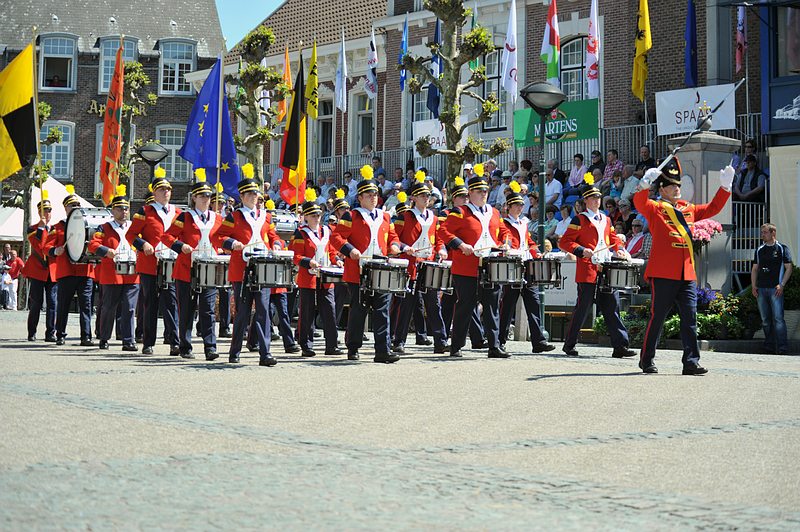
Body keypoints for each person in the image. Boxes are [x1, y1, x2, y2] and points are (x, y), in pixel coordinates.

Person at [634, 159, 733, 374]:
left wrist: (725, 187)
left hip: (686, 273)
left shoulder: (688, 209)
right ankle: (647, 359)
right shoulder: (656, 208)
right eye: (672, 186)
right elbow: (639, 203)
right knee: (657, 318)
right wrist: (644, 184)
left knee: (690, 319)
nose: (677, 189)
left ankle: (691, 362)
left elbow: (712, 208)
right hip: (663, 273)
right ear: (662, 189)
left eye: (678, 185)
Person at [559, 176, 637, 359]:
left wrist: (620, 249)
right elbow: (565, 242)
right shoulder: (579, 220)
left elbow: (614, 238)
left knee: (612, 307)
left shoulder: (606, 219)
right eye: (592, 198)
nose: (596, 201)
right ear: (586, 201)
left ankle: (620, 346)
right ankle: (569, 344)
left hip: (605, 268)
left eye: (598, 198)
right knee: (582, 308)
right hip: (587, 268)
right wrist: (580, 250)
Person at [330, 165, 402, 363]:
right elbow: (336, 238)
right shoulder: (351, 215)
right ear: (360, 197)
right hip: (358, 269)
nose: (373, 197)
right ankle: (353, 347)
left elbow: (393, 237)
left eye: (375, 194)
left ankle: (382, 350)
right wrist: (350, 250)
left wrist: (394, 246)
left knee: (382, 310)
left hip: (380, 267)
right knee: (358, 309)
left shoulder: (385, 216)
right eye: (369, 194)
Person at [439, 174, 512, 358]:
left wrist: (505, 242)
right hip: (466, 266)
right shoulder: (460, 211)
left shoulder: (494, 212)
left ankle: (494, 346)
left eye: (486, 191)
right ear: (470, 193)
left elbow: (504, 231)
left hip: (490, 265)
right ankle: (456, 345)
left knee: (492, 305)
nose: (484, 194)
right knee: (466, 305)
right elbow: (444, 230)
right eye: (480, 191)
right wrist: (460, 244)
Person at [217, 176, 285, 367]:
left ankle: (265, 353)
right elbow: (219, 237)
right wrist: (233, 244)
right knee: (242, 312)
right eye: (250, 194)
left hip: (262, 268)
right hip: (242, 270)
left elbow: (274, 236)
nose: (254, 196)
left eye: (256, 193)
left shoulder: (266, 216)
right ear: (242, 196)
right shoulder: (235, 216)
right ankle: (235, 351)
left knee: (263, 311)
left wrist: (277, 245)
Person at [161, 171, 224, 360]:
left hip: (209, 269)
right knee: (187, 310)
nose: (206, 199)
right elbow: (167, 237)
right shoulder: (185, 217)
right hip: (186, 270)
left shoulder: (217, 218)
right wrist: (181, 246)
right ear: (194, 197)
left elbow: (222, 238)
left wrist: (221, 248)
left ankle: (210, 347)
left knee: (208, 309)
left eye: (208, 196)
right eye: (202, 196)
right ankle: (185, 346)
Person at [392, 173, 449, 354]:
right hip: (410, 265)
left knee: (433, 303)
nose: (426, 198)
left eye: (428, 196)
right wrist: (403, 247)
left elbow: (438, 239)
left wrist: (441, 249)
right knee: (406, 304)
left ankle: (440, 340)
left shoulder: (433, 217)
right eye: (423, 195)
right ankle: (399, 340)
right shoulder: (405, 216)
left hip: (428, 264)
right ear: (414, 198)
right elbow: (394, 239)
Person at [127, 169, 181, 356]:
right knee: (150, 303)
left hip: (172, 264)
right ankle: (148, 343)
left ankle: (175, 342)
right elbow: (131, 234)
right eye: (161, 189)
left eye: (168, 189)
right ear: (154, 193)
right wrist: (143, 245)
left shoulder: (178, 212)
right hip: (150, 263)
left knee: (171, 303)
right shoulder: (145, 211)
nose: (165, 192)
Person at [498, 184, 554, 353]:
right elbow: (502, 242)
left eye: (521, 205)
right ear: (509, 207)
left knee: (534, 304)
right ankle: (499, 340)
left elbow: (529, 242)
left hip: (527, 266)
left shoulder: (524, 222)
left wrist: (537, 253)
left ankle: (538, 341)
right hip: (512, 266)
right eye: (517, 205)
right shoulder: (503, 223)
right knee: (507, 306)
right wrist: (505, 248)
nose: (520, 207)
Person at [289, 189, 344, 357]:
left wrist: (337, 260)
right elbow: (295, 256)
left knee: (330, 310)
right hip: (308, 278)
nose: (316, 217)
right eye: (313, 215)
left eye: (318, 214)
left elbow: (332, 252)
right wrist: (308, 261)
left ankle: (332, 345)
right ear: (305, 216)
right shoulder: (300, 233)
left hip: (326, 277)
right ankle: (306, 345)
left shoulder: (327, 231)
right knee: (307, 312)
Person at [88, 186, 139, 351]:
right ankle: (104, 337)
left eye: (126, 209)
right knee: (109, 308)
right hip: (112, 272)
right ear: (113, 210)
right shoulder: (104, 227)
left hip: (132, 272)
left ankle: (128, 340)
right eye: (120, 209)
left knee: (130, 308)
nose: (124, 212)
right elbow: (93, 244)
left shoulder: (134, 227)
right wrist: (106, 251)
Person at [438, 177, 486, 348]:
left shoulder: (480, 212)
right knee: (454, 303)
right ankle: (444, 338)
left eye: (467, 196)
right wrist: (444, 249)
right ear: (454, 199)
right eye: (462, 197)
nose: (465, 199)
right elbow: (442, 234)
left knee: (465, 303)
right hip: (453, 261)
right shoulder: (447, 213)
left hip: (468, 262)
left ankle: (476, 338)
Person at [47, 188, 95, 346]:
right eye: (72, 205)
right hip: (66, 271)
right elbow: (46, 247)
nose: (75, 207)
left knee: (86, 306)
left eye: (77, 205)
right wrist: (55, 250)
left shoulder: (87, 224)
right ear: (65, 208)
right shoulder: (57, 227)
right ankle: (60, 334)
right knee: (64, 305)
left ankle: (86, 336)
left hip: (84, 271)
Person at [751, 223, 793, 355]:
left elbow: (789, 268)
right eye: (762, 232)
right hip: (761, 288)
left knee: (778, 318)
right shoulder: (759, 249)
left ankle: (782, 347)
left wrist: (782, 284)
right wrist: (753, 285)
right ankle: (769, 345)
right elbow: (754, 269)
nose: (762, 235)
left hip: (775, 289)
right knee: (765, 319)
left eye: (765, 232)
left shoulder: (781, 248)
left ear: (773, 233)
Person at [23, 196, 58, 342]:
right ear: (39, 213)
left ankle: (50, 332)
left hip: (52, 270)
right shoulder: (32, 229)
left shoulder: (55, 229)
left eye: (49, 211)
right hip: (38, 270)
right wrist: (42, 228)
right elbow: (39, 246)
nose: (47, 214)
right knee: (36, 303)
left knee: (52, 303)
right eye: (44, 211)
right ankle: (32, 332)